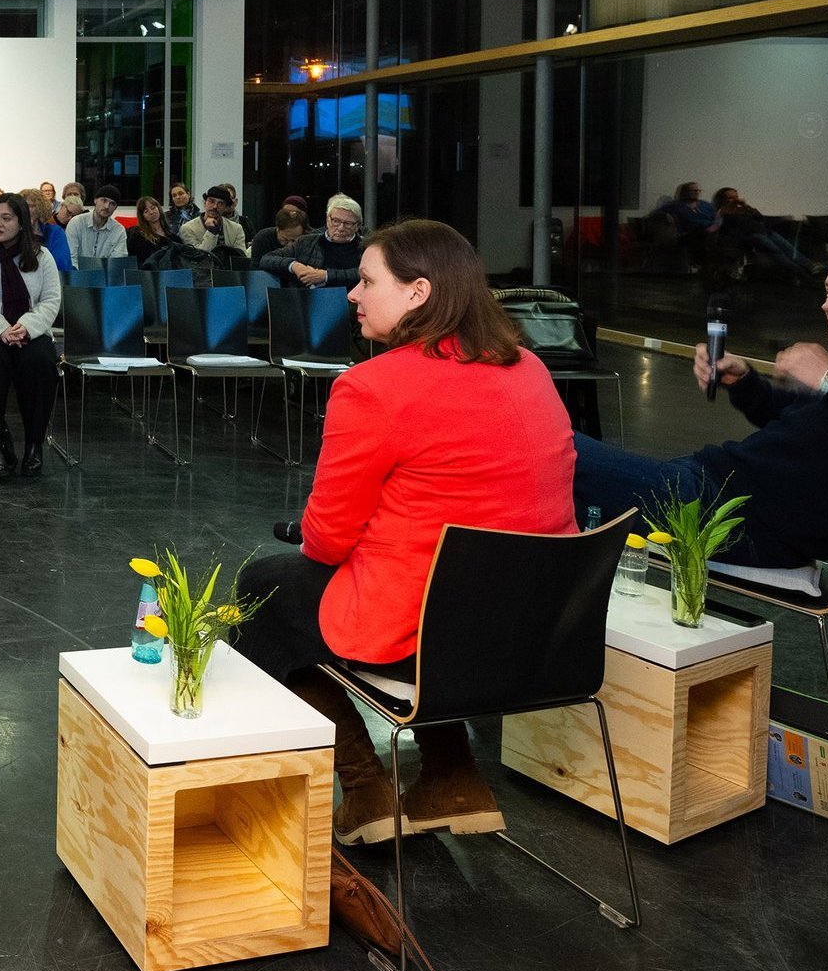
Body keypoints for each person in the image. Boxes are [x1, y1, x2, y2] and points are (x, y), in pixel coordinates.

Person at [234, 219, 576, 844]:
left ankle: (365, 793)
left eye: (367, 281)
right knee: (431, 588)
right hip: (542, 635)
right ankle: (453, 777)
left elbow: (328, 541)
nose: (352, 294)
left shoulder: (371, 388)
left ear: (418, 292)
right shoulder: (529, 367)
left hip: (434, 641)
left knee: (263, 588)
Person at [572, 242, 828, 568]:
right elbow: (798, 421)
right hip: (705, 488)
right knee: (540, 467)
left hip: (733, 522)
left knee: (546, 450)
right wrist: (745, 382)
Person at [0, 192, 62, 479]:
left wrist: (26, 326)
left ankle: (34, 443)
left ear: (22, 223)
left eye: (6, 218)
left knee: (40, 362)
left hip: (30, 329)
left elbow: (51, 300)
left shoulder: (42, 257)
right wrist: (1, 328)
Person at [259, 193, 364, 288]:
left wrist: (326, 276)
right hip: (307, 302)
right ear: (327, 219)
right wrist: (294, 265)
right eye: (336, 221)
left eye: (348, 223)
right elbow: (266, 259)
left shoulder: (366, 247)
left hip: (351, 303)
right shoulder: (306, 242)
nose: (341, 228)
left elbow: (371, 273)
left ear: (357, 226)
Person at [713, 186, 811, 275]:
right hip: (752, 235)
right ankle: (799, 272)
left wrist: (746, 206)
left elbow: (760, 218)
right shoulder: (722, 212)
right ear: (723, 200)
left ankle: (810, 266)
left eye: (736, 197)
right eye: (730, 198)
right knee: (776, 251)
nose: (734, 200)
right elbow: (730, 227)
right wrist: (732, 210)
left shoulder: (744, 208)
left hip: (765, 231)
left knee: (788, 247)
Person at [180, 183, 248, 264]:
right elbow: (199, 259)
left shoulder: (236, 229)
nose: (215, 206)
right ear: (205, 202)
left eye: (221, 203)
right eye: (211, 201)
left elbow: (241, 260)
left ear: (226, 207)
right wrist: (211, 233)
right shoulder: (188, 229)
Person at [66, 183, 129, 264]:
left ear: (115, 208)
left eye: (112, 203)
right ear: (95, 200)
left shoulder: (119, 230)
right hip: (78, 274)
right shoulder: (76, 223)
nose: (107, 206)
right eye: (104, 200)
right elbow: (71, 257)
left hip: (105, 275)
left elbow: (117, 262)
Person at [25, 190, 74, 272]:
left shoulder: (55, 232)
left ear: (41, 208)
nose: (26, 209)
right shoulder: (15, 232)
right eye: (24, 206)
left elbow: (61, 263)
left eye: (31, 206)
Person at [128, 195, 177, 268]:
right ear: (143, 216)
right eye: (146, 211)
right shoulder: (137, 235)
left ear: (158, 209)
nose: (151, 212)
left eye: (153, 208)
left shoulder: (173, 237)